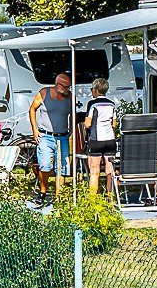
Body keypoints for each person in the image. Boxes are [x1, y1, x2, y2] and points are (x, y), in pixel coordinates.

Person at [28, 72, 73, 203]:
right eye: (66, 87)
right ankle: (43, 191)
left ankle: (60, 196)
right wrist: (35, 129)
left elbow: (73, 114)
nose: (68, 89)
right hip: (45, 136)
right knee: (45, 166)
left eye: (69, 87)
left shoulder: (70, 97)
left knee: (62, 167)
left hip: (63, 137)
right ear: (58, 85)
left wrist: (71, 127)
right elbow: (32, 109)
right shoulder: (44, 93)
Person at [81, 77, 118, 195]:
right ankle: (110, 197)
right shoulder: (112, 104)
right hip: (110, 140)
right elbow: (114, 124)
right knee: (110, 171)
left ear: (96, 90)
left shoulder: (92, 104)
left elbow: (88, 124)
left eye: (92, 89)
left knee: (94, 171)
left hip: (96, 140)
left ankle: (93, 199)